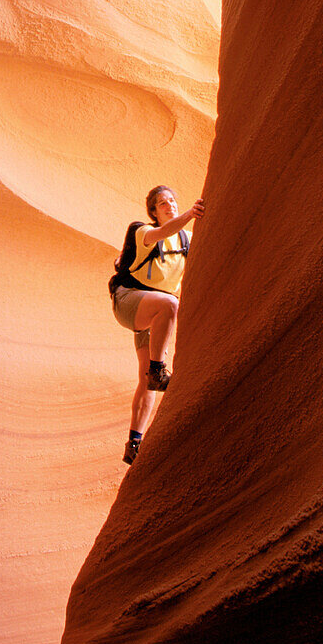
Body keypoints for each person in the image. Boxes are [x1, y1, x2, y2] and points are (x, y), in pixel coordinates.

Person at [109, 186, 205, 465]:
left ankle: (134, 444)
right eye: (162, 203)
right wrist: (190, 215)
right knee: (169, 304)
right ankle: (158, 371)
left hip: (154, 316)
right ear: (153, 211)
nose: (169, 205)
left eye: (173, 201)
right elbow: (164, 232)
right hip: (128, 301)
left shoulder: (188, 240)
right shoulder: (142, 232)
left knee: (145, 382)